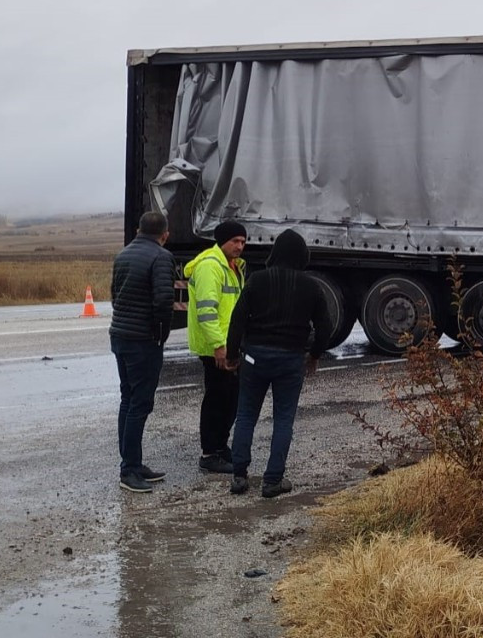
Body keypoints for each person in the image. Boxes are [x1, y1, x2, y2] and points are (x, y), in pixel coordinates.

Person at [225, 229, 330, 498]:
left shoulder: (257, 280)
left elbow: (238, 319)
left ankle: (239, 476)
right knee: (284, 419)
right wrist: (314, 355)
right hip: (291, 359)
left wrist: (233, 355)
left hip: (254, 356)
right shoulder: (311, 286)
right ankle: (273, 480)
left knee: (246, 414)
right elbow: (325, 327)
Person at [109, 211, 175, 493]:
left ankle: (133, 462)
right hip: (142, 341)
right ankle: (129, 470)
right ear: (165, 234)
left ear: (138, 229)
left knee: (128, 399)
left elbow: (114, 293)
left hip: (120, 335)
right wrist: (160, 334)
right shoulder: (161, 257)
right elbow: (163, 301)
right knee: (140, 404)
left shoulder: (124, 254)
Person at [184, 220, 247, 473]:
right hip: (216, 347)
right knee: (218, 399)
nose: (240, 246)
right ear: (222, 241)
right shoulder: (211, 266)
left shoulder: (232, 266)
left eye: (243, 241)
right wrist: (219, 346)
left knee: (230, 398)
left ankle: (220, 446)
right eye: (235, 241)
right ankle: (210, 452)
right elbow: (207, 311)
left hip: (229, 344)